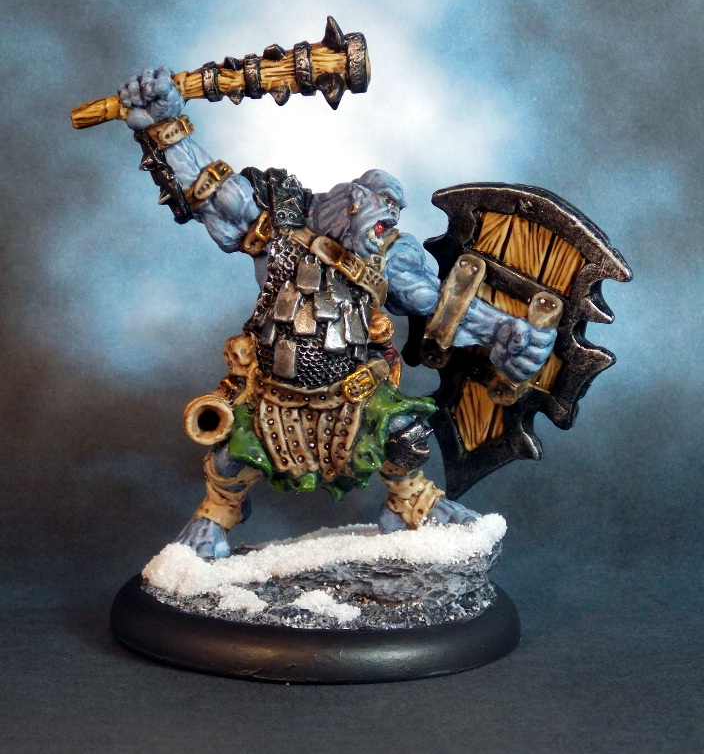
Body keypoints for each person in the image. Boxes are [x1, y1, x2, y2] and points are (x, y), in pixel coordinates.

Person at [118, 67, 557, 558]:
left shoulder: (388, 257)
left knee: (406, 436)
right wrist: (167, 126)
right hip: (272, 390)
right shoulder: (279, 227)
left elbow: (441, 307)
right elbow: (214, 195)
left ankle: (410, 503)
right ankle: (214, 518)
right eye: (384, 201)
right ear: (356, 198)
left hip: (353, 393)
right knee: (229, 456)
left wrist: (506, 332)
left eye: (396, 208)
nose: (391, 214)